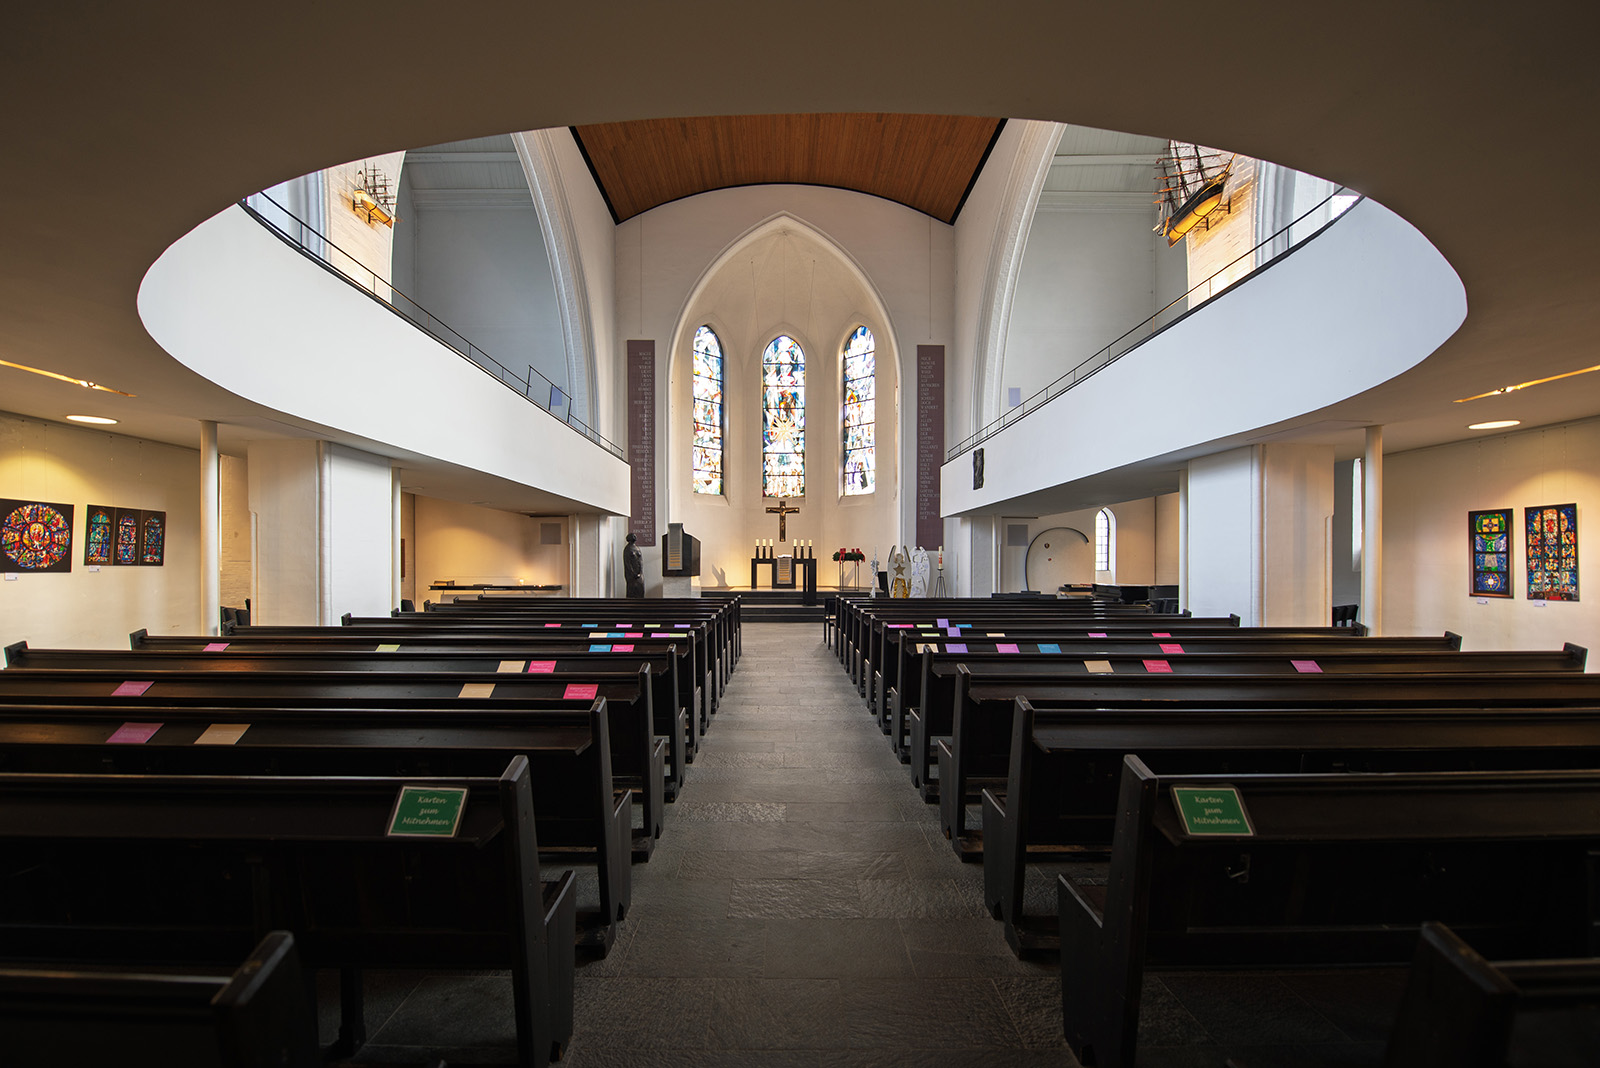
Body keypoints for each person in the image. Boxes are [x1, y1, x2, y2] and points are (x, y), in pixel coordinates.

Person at [624, 532, 644, 598]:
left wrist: (640, 572)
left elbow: (641, 561)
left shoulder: (637, 548)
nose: (635, 537)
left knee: (640, 588)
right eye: (633, 536)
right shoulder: (627, 549)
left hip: (639, 572)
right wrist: (633, 573)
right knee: (632, 589)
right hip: (631, 573)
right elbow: (627, 562)